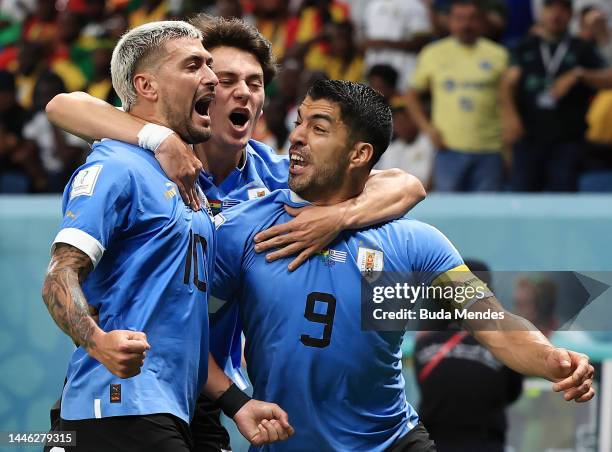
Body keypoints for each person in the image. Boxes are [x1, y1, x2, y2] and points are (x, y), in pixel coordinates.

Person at [45, 15, 426, 451]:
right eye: (222, 77)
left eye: (256, 82)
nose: (241, 90)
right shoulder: (138, 160)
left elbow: (405, 183)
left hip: (206, 390)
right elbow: (61, 106)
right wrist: (156, 138)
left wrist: (337, 217)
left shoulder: (278, 178)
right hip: (128, 387)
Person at [209, 79, 595, 451]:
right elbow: (182, 325)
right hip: (286, 444)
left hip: (393, 442)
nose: (296, 136)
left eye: (319, 127)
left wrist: (549, 357)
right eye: (299, 123)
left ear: (359, 155)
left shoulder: (415, 244)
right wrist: (233, 400)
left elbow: (492, 323)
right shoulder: (245, 228)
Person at [41, 21, 293, 452]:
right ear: (149, 85)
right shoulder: (121, 164)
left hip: (185, 399)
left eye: (254, 82)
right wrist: (98, 342)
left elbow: (181, 322)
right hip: (121, 401)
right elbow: (57, 276)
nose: (218, 83)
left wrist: (237, 402)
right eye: (202, 68)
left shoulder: (269, 180)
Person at [499, 0, 612, 191]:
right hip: (528, 138)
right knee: (522, 198)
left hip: (567, 140)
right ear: (542, 12)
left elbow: (608, 78)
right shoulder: (524, 46)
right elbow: (505, 85)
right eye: (551, 8)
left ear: (570, 15)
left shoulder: (581, 48)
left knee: (563, 197)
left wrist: (580, 74)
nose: (556, 14)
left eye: (562, 9)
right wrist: (509, 117)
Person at [413, 259, 523, 452]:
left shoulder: (425, 345)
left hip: (433, 444)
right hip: (485, 443)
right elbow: (513, 391)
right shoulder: (503, 345)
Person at [406, 0, 508, 192]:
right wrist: (427, 129)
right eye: (460, 18)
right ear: (450, 21)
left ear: (481, 21)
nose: (466, 24)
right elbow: (411, 95)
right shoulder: (433, 53)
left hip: (490, 148)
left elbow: (507, 101)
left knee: (487, 215)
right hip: (448, 148)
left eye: (472, 18)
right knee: (448, 213)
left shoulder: (499, 55)